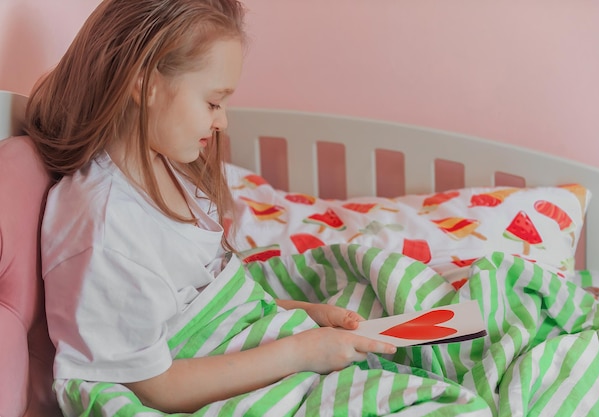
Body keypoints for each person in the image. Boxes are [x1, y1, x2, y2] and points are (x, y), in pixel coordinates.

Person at [25, 0, 396, 414]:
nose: (223, 122)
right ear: (145, 82)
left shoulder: (163, 164)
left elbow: (205, 297)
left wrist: (303, 313)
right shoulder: (107, 231)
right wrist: (303, 351)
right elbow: (154, 386)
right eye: (213, 102)